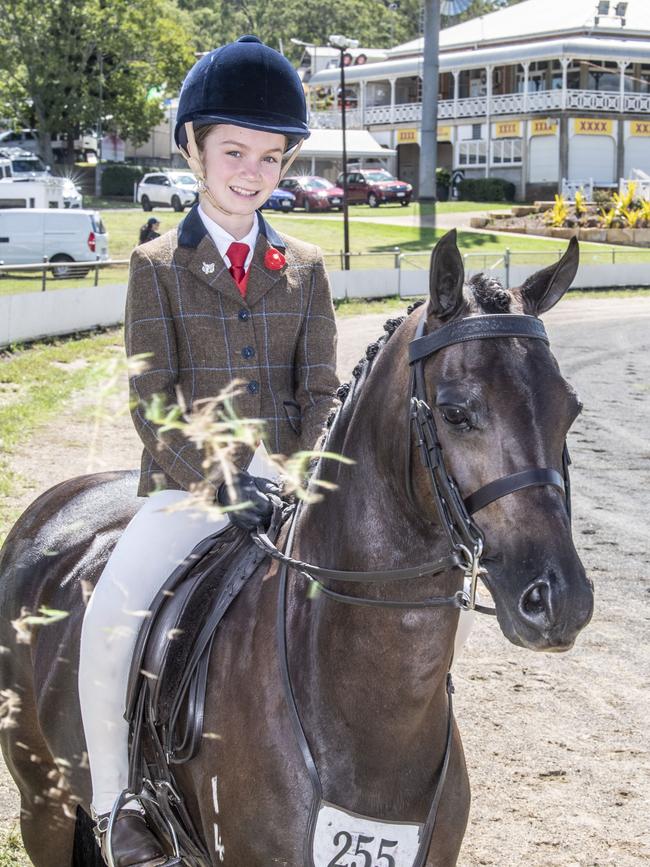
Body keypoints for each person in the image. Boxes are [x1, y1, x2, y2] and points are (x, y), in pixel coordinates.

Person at [78, 35, 339, 866]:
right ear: (192, 147)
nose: (253, 171)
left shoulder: (304, 265)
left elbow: (322, 390)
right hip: (186, 493)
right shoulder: (156, 264)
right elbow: (151, 401)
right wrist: (224, 483)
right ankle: (116, 800)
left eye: (271, 156)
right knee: (110, 621)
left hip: (286, 487)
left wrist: (293, 471)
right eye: (234, 151)